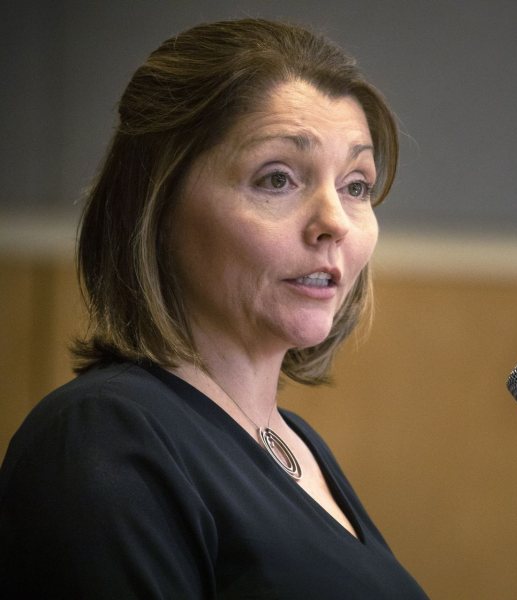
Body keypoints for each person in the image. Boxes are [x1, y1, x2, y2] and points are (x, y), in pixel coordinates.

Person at [0, 18, 428, 598]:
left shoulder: (294, 440)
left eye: (356, 185)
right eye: (277, 179)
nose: (335, 222)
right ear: (156, 207)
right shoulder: (101, 437)